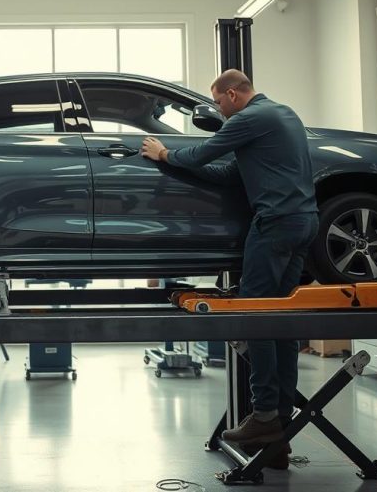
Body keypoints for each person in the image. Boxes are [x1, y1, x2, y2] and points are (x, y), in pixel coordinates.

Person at [140, 69, 318, 468]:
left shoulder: (248, 118)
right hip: (303, 223)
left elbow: (204, 152)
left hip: (273, 226)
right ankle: (279, 431)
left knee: (252, 316)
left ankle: (265, 416)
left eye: (219, 102)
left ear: (234, 95)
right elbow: (225, 173)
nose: (219, 111)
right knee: (281, 323)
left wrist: (165, 155)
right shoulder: (283, 115)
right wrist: (183, 167)